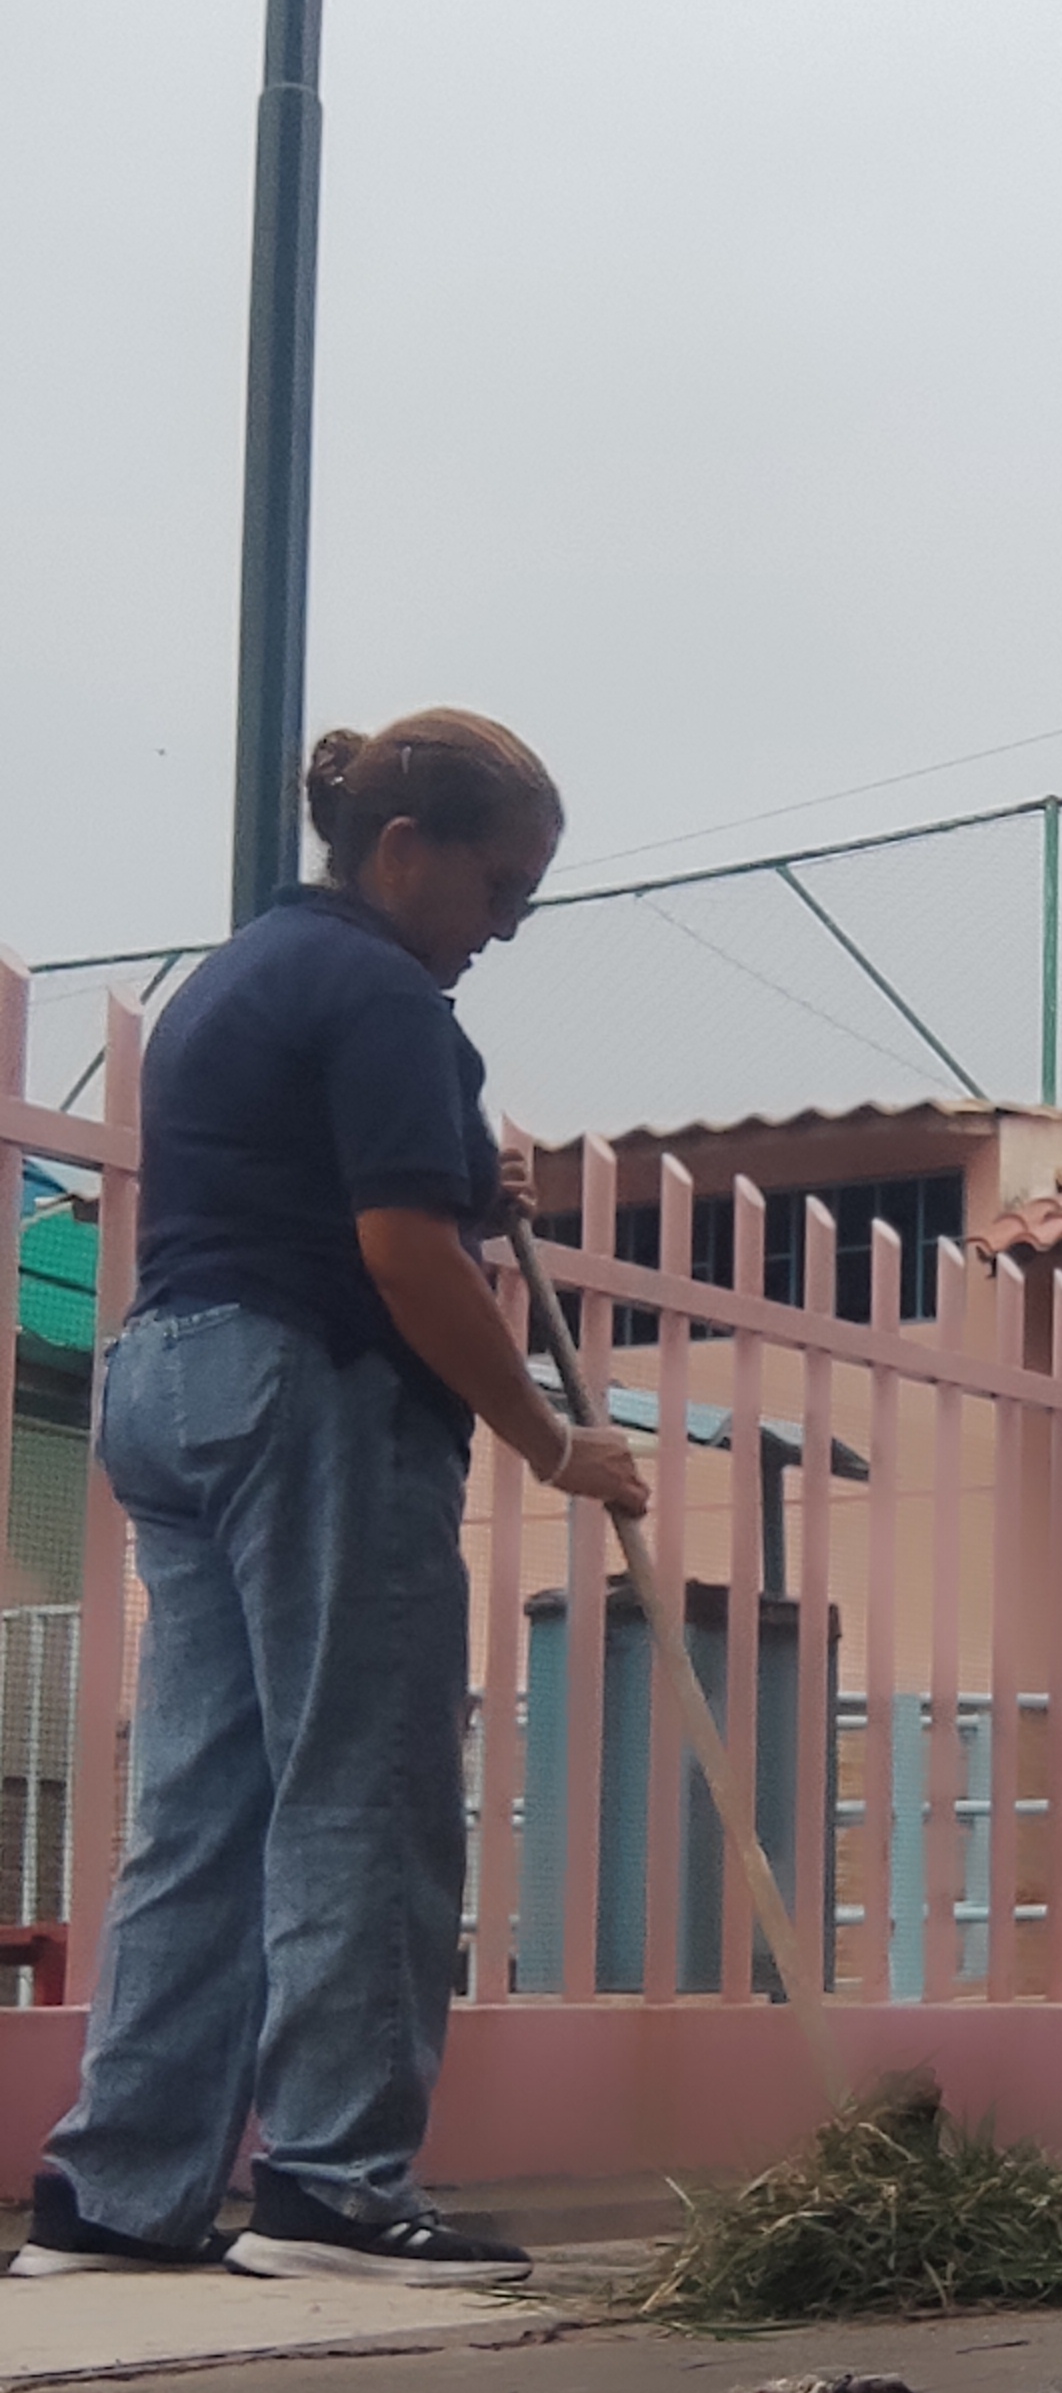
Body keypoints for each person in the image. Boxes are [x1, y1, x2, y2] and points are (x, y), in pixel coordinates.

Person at [12, 709, 648, 2290]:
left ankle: (119, 2196)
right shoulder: (385, 993)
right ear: (404, 850)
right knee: (364, 1785)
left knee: (205, 1809)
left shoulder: (237, 978)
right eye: (500, 886)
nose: (507, 925)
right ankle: (333, 2188)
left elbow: (312, 1170)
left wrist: (465, 1170)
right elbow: (403, 1257)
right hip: (314, 1390)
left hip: (170, 1380)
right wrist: (550, 1437)